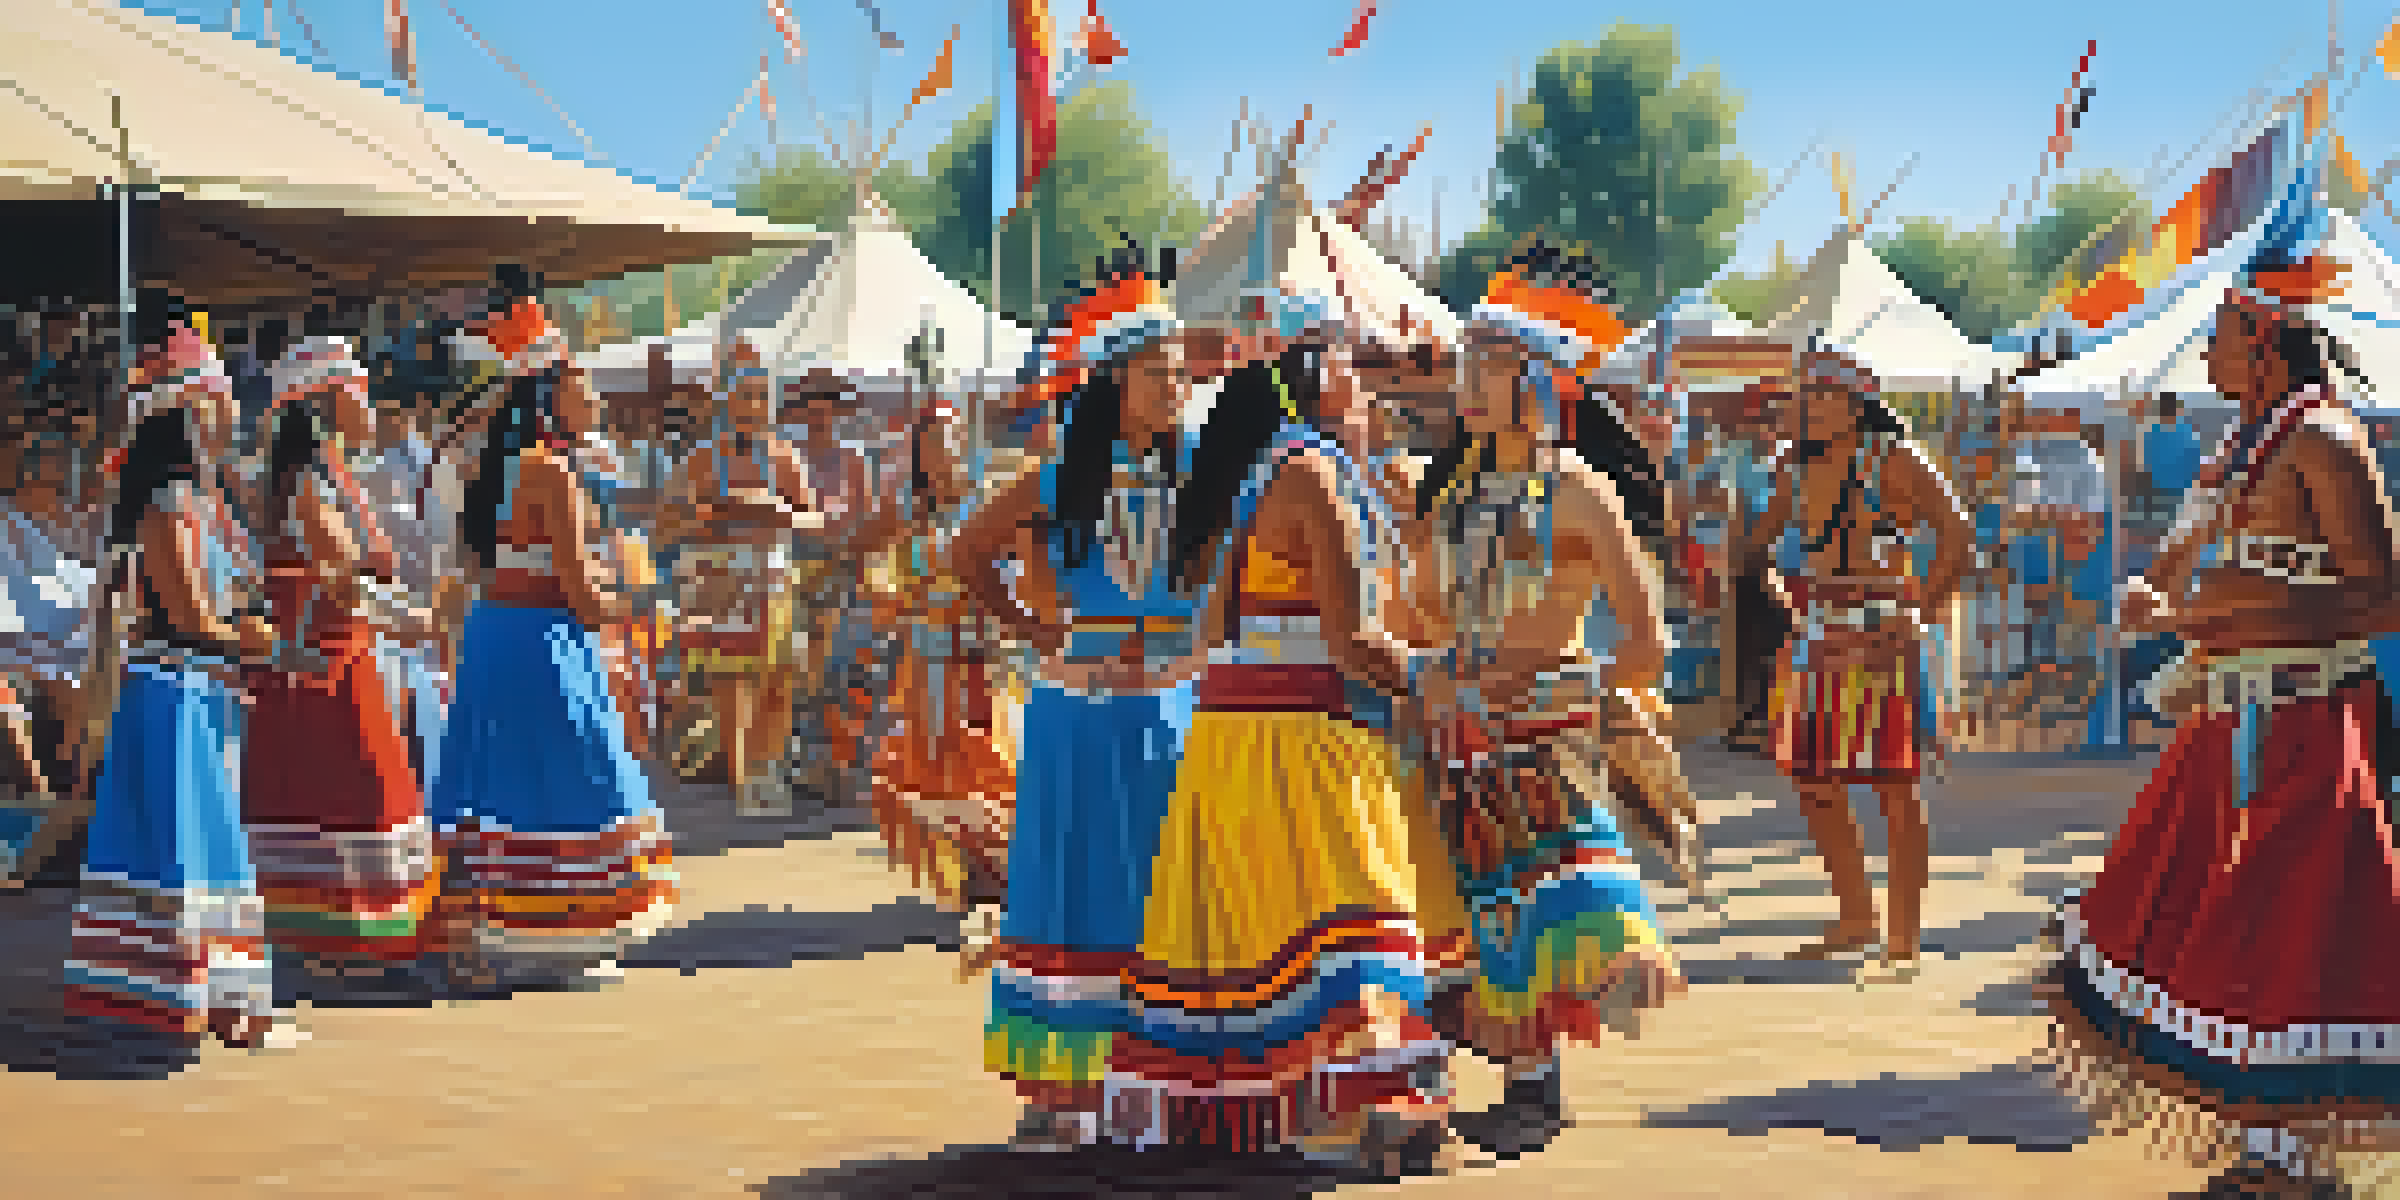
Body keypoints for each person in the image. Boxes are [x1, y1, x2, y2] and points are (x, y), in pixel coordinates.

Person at [2043, 246, 2400, 1195]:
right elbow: (2181, 557)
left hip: (2308, 725)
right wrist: (2156, 595)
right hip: (2230, 725)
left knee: (2289, 932)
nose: (2204, 355)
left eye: (2217, 335)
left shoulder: (2325, 440)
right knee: (2197, 915)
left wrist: (2206, 617)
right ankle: (2270, 1151)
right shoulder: (2245, 444)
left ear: (2265, 340)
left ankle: (2290, 1156)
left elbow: (2383, 598)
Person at [1102, 302, 1474, 1172]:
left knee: (1276, 933)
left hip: (1243, 738)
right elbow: (1352, 641)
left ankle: (1317, 1120)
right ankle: (1376, 1115)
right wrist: (1439, 679)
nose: (1366, 383)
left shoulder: (1270, 469)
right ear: (1313, 378)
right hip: (1302, 736)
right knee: (1354, 926)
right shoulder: (1309, 474)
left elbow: (1223, 635)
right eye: (1349, 366)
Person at [1397, 248, 1706, 1159]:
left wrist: (1591, 696)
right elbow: (1416, 610)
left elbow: (1647, 639)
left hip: (1548, 731)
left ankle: (1539, 1088)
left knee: (1553, 903)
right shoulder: (1445, 490)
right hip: (1459, 729)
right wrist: (1434, 662)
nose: (1467, 382)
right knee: (1479, 910)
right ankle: (1521, 1083)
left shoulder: (1581, 492)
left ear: (1536, 381)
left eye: (1487, 365)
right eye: (1464, 363)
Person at [948, 247, 1200, 1151]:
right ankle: (1063, 1091)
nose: (1175, 386)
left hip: (1175, 712)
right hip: (1079, 717)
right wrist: (1027, 625)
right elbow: (965, 551)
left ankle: (1166, 1079)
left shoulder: (1203, 473)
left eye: (1179, 372)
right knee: (1074, 892)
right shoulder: (1057, 479)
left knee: (1164, 895)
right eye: (1157, 373)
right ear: (1114, 383)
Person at [426, 276, 675, 992]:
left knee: (496, 786)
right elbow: (575, 588)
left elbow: (482, 567)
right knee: (573, 780)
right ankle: (554, 938)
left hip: (492, 641)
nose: (595, 400)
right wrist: (636, 603)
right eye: (583, 386)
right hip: (545, 644)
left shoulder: (489, 469)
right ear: (550, 395)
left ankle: (494, 939)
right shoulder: (552, 474)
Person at [65, 296, 298, 1051]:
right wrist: (257, 641)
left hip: (198, 691)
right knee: (184, 857)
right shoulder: (168, 503)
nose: (231, 415)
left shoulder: (197, 500)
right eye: (219, 401)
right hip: (173, 690)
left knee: (204, 853)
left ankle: (203, 1002)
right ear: (190, 414)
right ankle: (175, 1003)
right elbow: (192, 616)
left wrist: (247, 637)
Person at [1747, 345, 1971, 969]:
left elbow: (1956, 531)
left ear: (1859, 404)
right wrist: (1786, 604)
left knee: (1894, 786)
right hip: (1820, 632)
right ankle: (1855, 918)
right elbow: (1758, 546)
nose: (1812, 409)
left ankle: (1903, 934)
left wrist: (1921, 616)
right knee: (1815, 782)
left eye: (1825, 397)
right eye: (1807, 398)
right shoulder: (1794, 471)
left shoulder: (1893, 460)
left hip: (1883, 635)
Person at [240, 335, 439, 978]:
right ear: (325, 401)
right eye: (357, 390)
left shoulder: (324, 474)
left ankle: (347, 944)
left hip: (340, 654)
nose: (370, 403)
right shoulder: (310, 480)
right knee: (356, 796)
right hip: (327, 661)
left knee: (353, 796)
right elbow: (338, 577)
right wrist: (411, 617)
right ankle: (349, 947)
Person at [858, 394, 1015, 920]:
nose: (939, 452)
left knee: (989, 756)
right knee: (941, 763)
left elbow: (1015, 562)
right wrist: (897, 596)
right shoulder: (904, 510)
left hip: (982, 650)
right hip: (926, 653)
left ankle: (996, 871)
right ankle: (973, 871)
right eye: (928, 444)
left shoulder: (988, 500)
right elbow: (872, 564)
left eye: (947, 440)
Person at [654, 339, 821, 816]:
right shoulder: (704, 458)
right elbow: (667, 525)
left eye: (761, 395)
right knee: (733, 684)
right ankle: (743, 777)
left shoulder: (783, 456)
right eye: (745, 395)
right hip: (720, 583)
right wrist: (715, 511)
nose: (755, 405)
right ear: (725, 400)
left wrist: (779, 511)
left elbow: (818, 522)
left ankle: (767, 771)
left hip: (773, 581)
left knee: (779, 682)